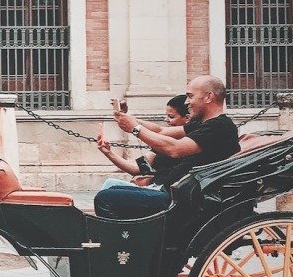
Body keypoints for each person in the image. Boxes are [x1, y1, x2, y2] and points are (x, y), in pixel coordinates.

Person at [93, 76, 239, 220]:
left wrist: (135, 128)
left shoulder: (219, 126)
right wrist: (128, 119)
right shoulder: (204, 124)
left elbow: (174, 149)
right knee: (111, 189)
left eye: (190, 96)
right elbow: (160, 132)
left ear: (208, 97)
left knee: (106, 198)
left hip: (184, 200)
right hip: (175, 192)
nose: (187, 102)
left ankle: (119, 242)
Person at [96, 94, 190, 186]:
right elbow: (136, 168)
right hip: (155, 187)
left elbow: (159, 130)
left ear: (187, 118)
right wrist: (108, 152)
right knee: (111, 183)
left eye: (171, 117)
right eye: (166, 116)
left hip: (165, 191)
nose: (166, 120)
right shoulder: (162, 141)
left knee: (107, 192)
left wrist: (149, 181)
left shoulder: (190, 142)